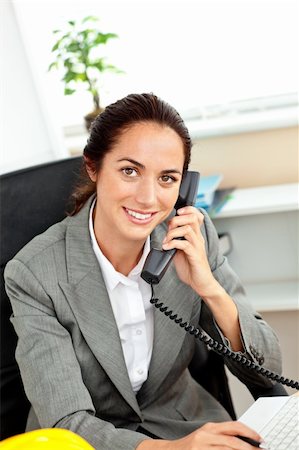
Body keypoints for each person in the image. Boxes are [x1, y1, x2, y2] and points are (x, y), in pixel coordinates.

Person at [4, 93, 282, 450]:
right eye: (130, 171)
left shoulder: (191, 235)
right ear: (93, 166)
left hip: (184, 422)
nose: (149, 198)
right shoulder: (34, 274)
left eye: (167, 178)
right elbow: (67, 421)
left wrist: (208, 287)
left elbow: (267, 369)